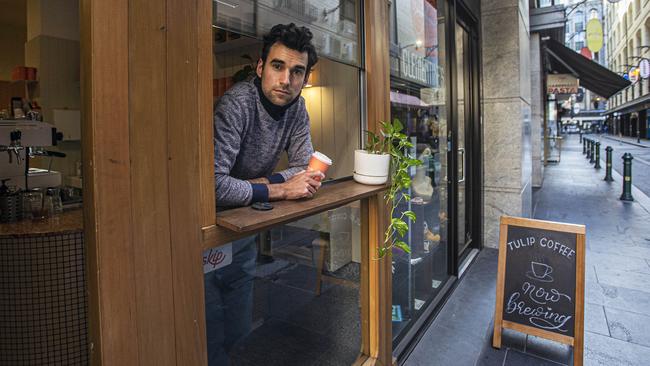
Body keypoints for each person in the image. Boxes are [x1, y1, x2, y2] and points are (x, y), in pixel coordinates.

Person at [204, 23, 324, 366]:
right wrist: (281, 188)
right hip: (208, 231)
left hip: (245, 231)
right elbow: (213, 185)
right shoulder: (237, 104)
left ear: (304, 78)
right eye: (278, 66)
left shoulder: (298, 109)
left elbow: (305, 166)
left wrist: (261, 184)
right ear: (260, 68)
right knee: (210, 332)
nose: (286, 79)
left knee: (241, 331)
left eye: (297, 71)